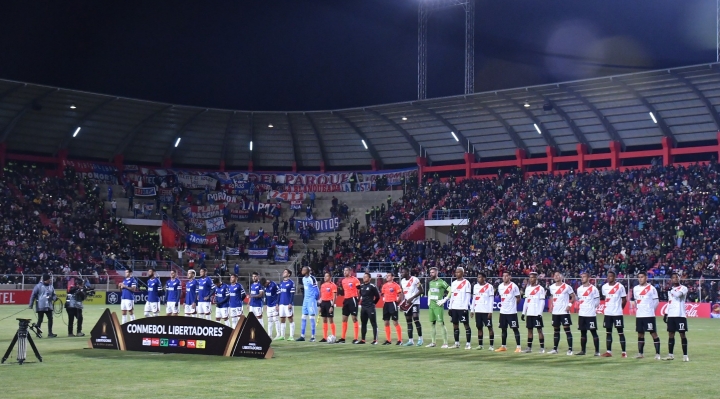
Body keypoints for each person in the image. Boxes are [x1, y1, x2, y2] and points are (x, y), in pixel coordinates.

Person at [631, 271, 661, 360]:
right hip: (639, 315)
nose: (640, 279)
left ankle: (657, 354)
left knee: (653, 334)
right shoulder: (635, 288)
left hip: (649, 315)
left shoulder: (651, 288)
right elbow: (636, 301)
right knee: (640, 334)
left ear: (646, 278)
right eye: (639, 277)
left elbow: (656, 301)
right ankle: (640, 353)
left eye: (642, 277)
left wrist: (651, 311)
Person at [443, 267, 472, 349]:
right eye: (456, 272)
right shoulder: (454, 283)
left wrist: (465, 308)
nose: (456, 274)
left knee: (466, 325)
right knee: (455, 325)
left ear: (463, 273)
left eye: (458, 272)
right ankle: (456, 343)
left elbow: (468, 296)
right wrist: (450, 307)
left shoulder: (466, 283)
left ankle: (468, 344)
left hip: (462, 308)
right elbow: (452, 295)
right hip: (454, 307)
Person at [663, 273, 689, 361]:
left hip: (680, 315)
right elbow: (670, 302)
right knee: (670, 334)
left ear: (679, 278)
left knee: (682, 334)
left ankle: (685, 355)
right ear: (671, 279)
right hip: (671, 315)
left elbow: (678, 295)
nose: (675, 279)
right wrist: (666, 313)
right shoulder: (670, 291)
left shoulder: (683, 288)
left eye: (677, 277)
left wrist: (671, 290)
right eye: (673, 277)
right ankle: (670, 355)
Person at [601, 270, 627, 358]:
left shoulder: (620, 287)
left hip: (617, 313)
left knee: (620, 332)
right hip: (608, 313)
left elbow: (624, 300)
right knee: (608, 332)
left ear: (614, 277)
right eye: (608, 276)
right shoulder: (604, 287)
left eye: (611, 276)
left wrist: (620, 309)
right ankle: (608, 352)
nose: (609, 278)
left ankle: (624, 352)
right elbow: (606, 298)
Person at [548, 271, 575, 355]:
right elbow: (552, 296)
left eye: (557, 275)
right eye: (554, 275)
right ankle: (555, 349)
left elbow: (573, 297)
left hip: (564, 312)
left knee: (567, 330)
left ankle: (570, 349)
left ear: (561, 277)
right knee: (556, 330)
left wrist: (569, 305)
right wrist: (551, 306)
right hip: (555, 312)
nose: (555, 276)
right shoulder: (551, 287)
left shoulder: (567, 287)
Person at [575, 272, 601, 356]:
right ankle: (583, 351)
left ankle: (597, 351)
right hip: (582, 314)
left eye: (584, 277)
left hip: (590, 315)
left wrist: (591, 308)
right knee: (583, 333)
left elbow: (597, 301)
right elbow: (579, 300)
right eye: (581, 277)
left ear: (588, 278)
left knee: (593, 332)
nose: (582, 278)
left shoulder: (593, 289)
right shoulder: (579, 289)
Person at [496, 271, 522, 353]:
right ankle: (503, 346)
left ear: (510, 277)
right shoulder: (500, 286)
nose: (505, 277)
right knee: (503, 329)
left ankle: (518, 347)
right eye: (503, 276)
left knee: (515, 329)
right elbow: (501, 297)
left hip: (511, 312)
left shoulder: (514, 286)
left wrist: (513, 306)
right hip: (503, 312)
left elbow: (518, 298)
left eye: (506, 276)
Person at [521, 272, 546, 353]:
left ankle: (542, 348)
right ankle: (529, 348)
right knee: (529, 330)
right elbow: (526, 301)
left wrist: (540, 313)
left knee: (539, 330)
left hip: (536, 313)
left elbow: (542, 302)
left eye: (533, 277)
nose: (531, 279)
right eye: (530, 277)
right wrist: (523, 313)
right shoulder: (527, 289)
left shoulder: (540, 288)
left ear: (536, 278)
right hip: (529, 313)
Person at [426, 267, 451, 348]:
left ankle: (445, 343)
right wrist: (429, 299)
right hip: (431, 306)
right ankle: (433, 342)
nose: (431, 274)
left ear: (437, 273)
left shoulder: (441, 282)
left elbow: (451, 290)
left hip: (438, 306)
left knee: (441, 323)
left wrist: (445, 299)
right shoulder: (430, 282)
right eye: (430, 272)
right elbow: (430, 291)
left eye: (432, 272)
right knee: (432, 323)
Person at [399, 267, 424, 346]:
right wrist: (402, 304)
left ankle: (420, 339)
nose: (401, 274)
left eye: (403, 272)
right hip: (407, 304)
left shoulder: (415, 279)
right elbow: (403, 293)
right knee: (408, 322)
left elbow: (421, 290)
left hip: (415, 302)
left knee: (416, 319)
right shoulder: (402, 281)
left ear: (407, 272)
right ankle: (411, 341)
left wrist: (412, 298)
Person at [470, 272, 495, 350]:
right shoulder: (475, 286)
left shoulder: (489, 287)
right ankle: (480, 345)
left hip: (486, 311)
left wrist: (490, 311)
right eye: (478, 277)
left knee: (490, 328)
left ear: (484, 278)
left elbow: (491, 299)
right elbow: (474, 298)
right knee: (479, 328)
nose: (478, 279)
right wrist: (472, 310)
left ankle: (491, 346)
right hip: (478, 311)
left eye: (480, 277)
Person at [339, 266, 361, 344]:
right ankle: (343, 338)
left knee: (354, 318)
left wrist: (357, 299)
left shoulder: (355, 280)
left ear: (350, 271)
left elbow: (359, 290)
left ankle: (356, 338)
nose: (345, 272)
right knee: (344, 319)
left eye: (346, 270)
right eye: (344, 270)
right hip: (346, 300)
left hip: (353, 299)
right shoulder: (343, 281)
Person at [358, 272, 380, 344]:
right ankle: (363, 340)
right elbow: (361, 295)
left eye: (366, 277)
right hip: (363, 307)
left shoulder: (372, 286)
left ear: (369, 278)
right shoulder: (361, 286)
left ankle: (375, 340)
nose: (364, 278)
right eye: (364, 277)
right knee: (363, 323)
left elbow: (378, 296)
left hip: (370, 307)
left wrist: (373, 303)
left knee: (373, 323)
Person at [380, 272, 402, 345]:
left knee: (395, 322)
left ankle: (399, 340)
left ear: (393, 277)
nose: (387, 277)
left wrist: (396, 303)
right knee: (386, 322)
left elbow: (400, 295)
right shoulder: (384, 286)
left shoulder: (396, 286)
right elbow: (382, 294)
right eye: (387, 276)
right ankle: (388, 340)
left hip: (393, 304)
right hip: (386, 304)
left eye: (389, 276)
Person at [298, 266, 319, 342]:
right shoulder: (303, 279)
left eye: (304, 269)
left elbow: (316, 289)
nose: (302, 270)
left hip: (311, 300)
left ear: (307, 271)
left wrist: (316, 298)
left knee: (311, 317)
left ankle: (313, 337)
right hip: (305, 300)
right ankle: (302, 336)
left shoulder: (312, 278)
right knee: (303, 317)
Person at [278, 269, 296, 341]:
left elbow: (292, 294)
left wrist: (290, 303)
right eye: (283, 272)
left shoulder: (291, 283)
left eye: (285, 272)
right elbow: (279, 294)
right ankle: (282, 336)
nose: (283, 273)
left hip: (288, 304)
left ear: (288, 274)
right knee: (282, 319)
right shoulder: (281, 283)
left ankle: (291, 336)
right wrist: (277, 303)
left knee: (290, 318)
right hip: (281, 304)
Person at [319, 272, 338, 342]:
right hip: (323, 303)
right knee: (324, 320)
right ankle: (324, 337)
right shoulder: (322, 285)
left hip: (329, 303)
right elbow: (321, 296)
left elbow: (334, 297)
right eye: (325, 276)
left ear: (330, 277)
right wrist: (320, 306)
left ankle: (333, 336)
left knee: (330, 320)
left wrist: (332, 306)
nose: (325, 277)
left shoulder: (333, 285)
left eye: (327, 276)